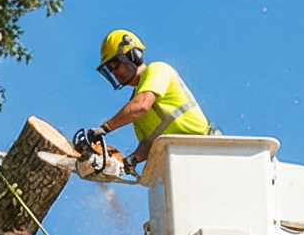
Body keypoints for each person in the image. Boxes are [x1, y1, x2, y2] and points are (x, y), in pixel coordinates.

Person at [83, 28, 212, 172]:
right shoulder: (135, 101)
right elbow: (149, 143)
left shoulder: (157, 70)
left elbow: (141, 106)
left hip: (205, 148)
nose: (114, 73)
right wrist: (132, 160)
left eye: (115, 65)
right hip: (179, 157)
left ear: (133, 55)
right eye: (110, 69)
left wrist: (104, 128)